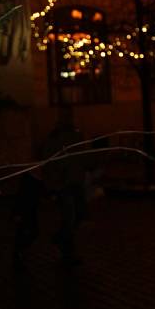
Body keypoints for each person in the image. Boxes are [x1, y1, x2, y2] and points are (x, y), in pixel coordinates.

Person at [42, 109, 87, 265]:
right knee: (69, 218)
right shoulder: (54, 137)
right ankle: (68, 251)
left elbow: (84, 156)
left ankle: (60, 238)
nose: (69, 119)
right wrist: (54, 184)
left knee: (80, 214)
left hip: (77, 182)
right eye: (65, 117)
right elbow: (49, 162)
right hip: (63, 185)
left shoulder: (77, 134)